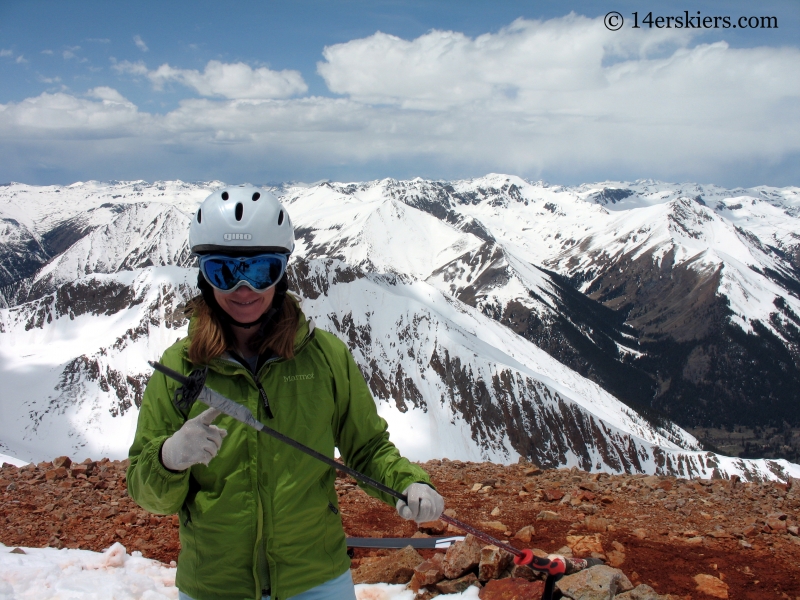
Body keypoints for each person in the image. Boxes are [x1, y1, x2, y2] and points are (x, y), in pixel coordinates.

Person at [127, 185, 444, 600]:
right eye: (224, 270)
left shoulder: (324, 358)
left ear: (282, 273)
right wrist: (168, 460)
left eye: (261, 270)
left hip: (315, 580)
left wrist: (410, 484)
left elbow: (366, 448)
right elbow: (145, 491)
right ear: (204, 276)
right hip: (215, 586)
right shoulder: (179, 370)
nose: (244, 288)